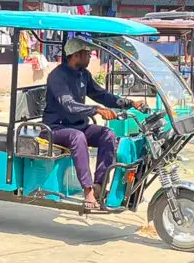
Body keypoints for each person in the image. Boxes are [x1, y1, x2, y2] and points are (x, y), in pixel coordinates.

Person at [43, 37, 144, 209]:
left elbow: (102, 95)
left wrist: (129, 103)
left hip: (78, 125)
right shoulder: (57, 76)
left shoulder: (83, 75)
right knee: (78, 137)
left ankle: (100, 185)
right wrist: (96, 110)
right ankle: (88, 191)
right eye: (88, 54)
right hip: (55, 128)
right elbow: (69, 105)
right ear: (76, 55)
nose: (91, 57)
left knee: (107, 134)